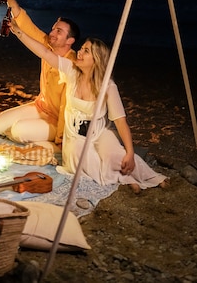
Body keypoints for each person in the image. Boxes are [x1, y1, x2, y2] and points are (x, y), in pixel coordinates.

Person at [10, 22, 168, 191]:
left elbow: (121, 122)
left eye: (86, 51)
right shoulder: (71, 71)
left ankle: (151, 177)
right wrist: (19, 32)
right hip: (75, 136)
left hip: (99, 132)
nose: (79, 52)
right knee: (84, 156)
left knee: (116, 156)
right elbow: (44, 52)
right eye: (82, 48)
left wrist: (129, 152)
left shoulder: (107, 86)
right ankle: (122, 178)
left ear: (96, 60)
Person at [0, 0, 80, 145]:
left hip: (58, 119)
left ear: (70, 41)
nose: (52, 33)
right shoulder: (47, 45)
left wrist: (61, 137)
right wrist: (11, 1)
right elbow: (28, 27)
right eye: (53, 28)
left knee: (18, 131)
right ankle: (34, 137)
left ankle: (49, 141)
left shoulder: (72, 66)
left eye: (58, 31)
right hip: (39, 107)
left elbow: (68, 108)